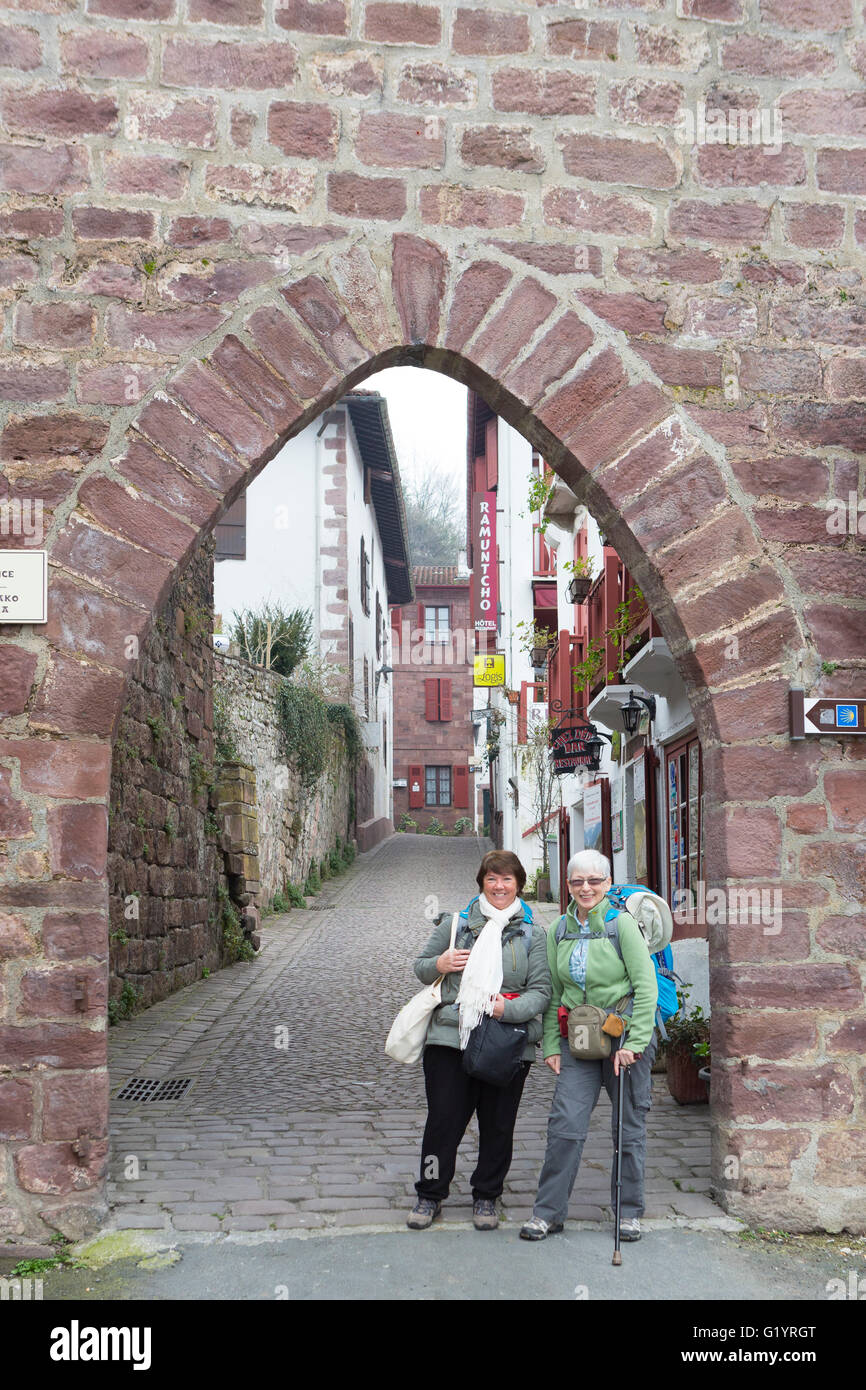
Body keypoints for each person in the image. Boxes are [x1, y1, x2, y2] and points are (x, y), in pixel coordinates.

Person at [406, 849, 552, 1232]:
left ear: (518, 883)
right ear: (481, 883)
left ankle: (487, 1195)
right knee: (443, 1121)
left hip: (506, 1041)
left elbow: (541, 992)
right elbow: (420, 967)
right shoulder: (455, 925)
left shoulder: (535, 935)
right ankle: (430, 1194)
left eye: (506, 879)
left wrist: (509, 1009)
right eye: (492, 878)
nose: (499, 886)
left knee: (498, 1123)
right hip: (451, 1037)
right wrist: (439, 964)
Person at [520, 848, 658, 1242]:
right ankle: (548, 1212)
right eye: (578, 881)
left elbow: (646, 989)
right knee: (565, 1125)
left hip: (622, 1038)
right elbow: (553, 992)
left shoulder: (622, 927)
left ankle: (628, 1212)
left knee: (628, 1127)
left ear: (608, 884)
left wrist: (634, 1042)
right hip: (577, 1041)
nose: (586, 888)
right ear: (567, 885)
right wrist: (549, 1044)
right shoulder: (558, 931)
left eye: (594, 881)